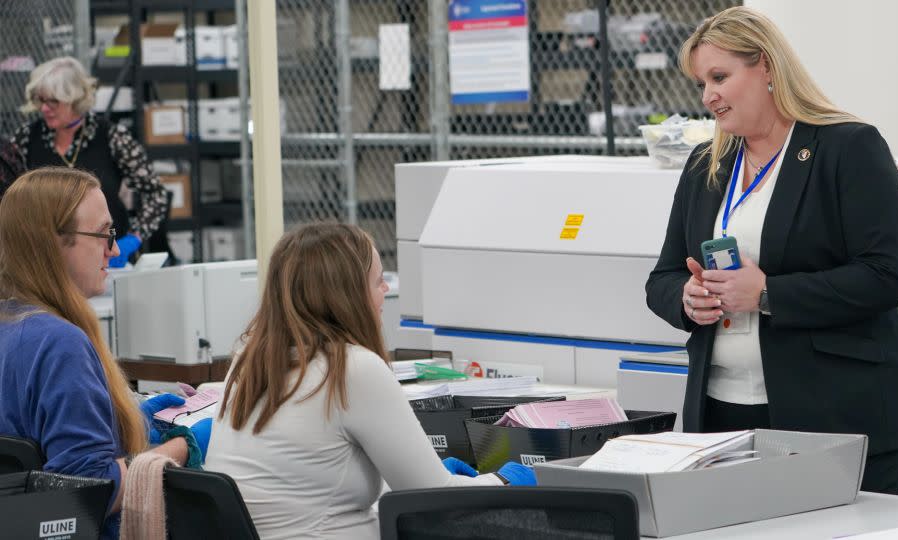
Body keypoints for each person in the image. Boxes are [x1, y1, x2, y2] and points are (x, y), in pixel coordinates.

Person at [645, 6, 898, 496]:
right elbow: (663, 276)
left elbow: (887, 275)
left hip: (836, 414)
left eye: (719, 77)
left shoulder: (847, 147)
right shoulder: (706, 164)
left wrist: (768, 293)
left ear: (767, 68)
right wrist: (687, 299)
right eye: (700, 84)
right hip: (721, 414)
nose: (708, 96)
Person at [205, 222, 534, 539]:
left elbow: (308, 478)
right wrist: (510, 479)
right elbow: (435, 497)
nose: (386, 290)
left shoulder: (249, 360)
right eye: (378, 280)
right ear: (346, 295)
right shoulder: (350, 369)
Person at [0, 167, 210, 540]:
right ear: (51, 243)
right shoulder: (60, 342)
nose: (113, 250)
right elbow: (88, 491)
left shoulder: (15, 327)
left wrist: (127, 415)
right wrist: (184, 445)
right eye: (103, 234)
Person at [13, 56, 168, 267]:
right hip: (46, 260)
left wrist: (134, 238)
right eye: (40, 100)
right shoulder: (26, 139)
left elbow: (155, 194)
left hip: (105, 256)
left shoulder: (112, 137)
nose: (44, 109)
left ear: (75, 100)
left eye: (53, 101)